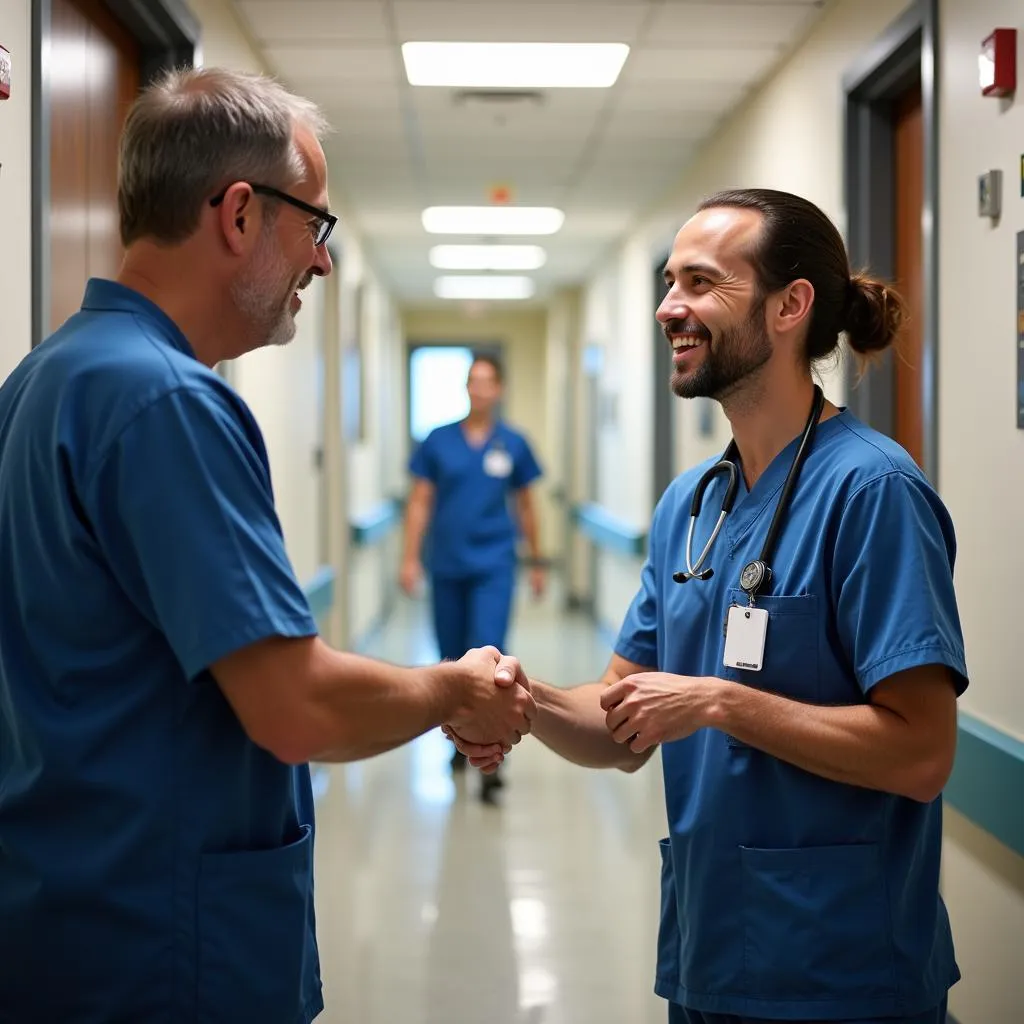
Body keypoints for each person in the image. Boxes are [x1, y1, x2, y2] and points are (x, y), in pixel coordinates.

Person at [0, 68, 533, 1024]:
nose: (322, 264)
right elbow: (297, 709)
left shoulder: (44, 382)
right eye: (315, 226)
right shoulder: (169, 403)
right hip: (159, 951)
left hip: (66, 914)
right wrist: (451, 691)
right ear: (240, 215)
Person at [450, 189, 967, 1023]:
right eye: (667, 282)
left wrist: (721, 702)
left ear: (791, 305)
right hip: (709, 957)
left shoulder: (873, 492)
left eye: (700, 282)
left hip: (840, 974)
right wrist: (516, 694)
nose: (668, 308)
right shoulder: (693, 506)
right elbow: (622, 727)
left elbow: (922, 754)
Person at [400, 353, 545, 803]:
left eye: (487, 382)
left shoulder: (513, 443)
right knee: (449, 655)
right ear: (466, 389)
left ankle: (492, 760)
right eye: (473, 382)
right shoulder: (438, 441)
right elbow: (421, 501)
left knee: (490, 660)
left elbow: (525, 505)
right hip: (447, 564)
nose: (479, 389)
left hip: (494, 566)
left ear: (498, 389)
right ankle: (459, 742)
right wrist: (409, 558)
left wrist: (537, 561)